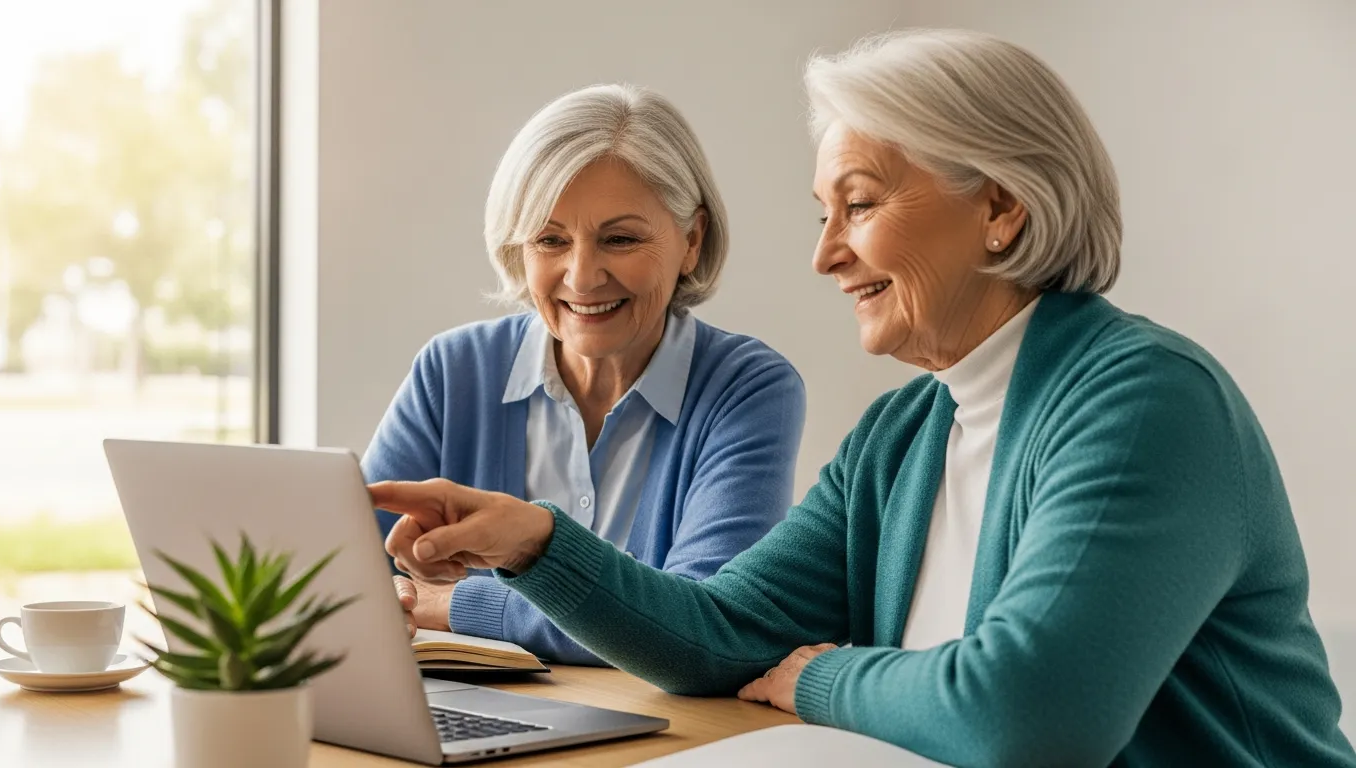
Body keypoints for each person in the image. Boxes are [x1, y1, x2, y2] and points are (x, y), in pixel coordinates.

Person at [371, 30, 1356, 767]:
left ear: (1001, 210)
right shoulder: (905, 432)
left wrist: (820, 677)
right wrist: (537, 545)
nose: (823, 252)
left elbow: (1027, 719)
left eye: (861, 203)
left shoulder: (1145, 403)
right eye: (821, 212)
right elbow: (716, 636)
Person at [362, 84, 807, 666]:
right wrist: (395, 595)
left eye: (619, 239)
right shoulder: (453, 370)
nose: (582, 276)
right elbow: (342, 578)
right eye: (550, 240)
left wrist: (453, 605)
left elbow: (701, 627)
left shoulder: (748, 390)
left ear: (691, 240)